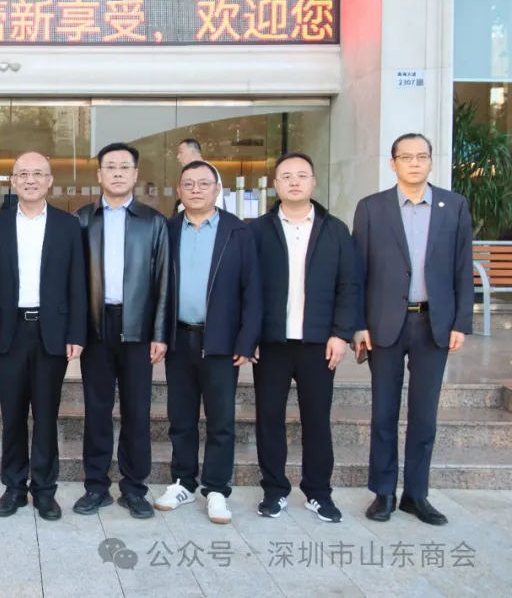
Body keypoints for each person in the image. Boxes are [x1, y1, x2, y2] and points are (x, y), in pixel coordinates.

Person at [353, 133, 473, 526]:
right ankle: (383, 493)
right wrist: (357, 325)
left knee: (424, 416)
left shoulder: (454, 206)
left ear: (431, 161)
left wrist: (461, 321)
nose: (415, 163)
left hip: (433, 324)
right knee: (383, 413)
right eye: (406, 157)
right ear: (393, 163)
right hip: (384, 324)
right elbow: (357, 272)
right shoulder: (372, 208)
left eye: (422, 156)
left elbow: (462, 267)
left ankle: (416, 495)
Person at [250, 152, 359, 523]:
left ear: (313, 182)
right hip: (271, 344)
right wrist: (249, 336)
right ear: (275, 184)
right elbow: (247, 288)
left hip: (319, 344)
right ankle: (274, 490)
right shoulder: (258, 230)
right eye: (286, 176)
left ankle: (318, 492)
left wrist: (341, 334)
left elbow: (349, 286)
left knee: (317, 420)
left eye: (301, 175)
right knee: (269, 419)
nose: (294, 181)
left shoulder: (335, 230)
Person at [0, 151, 86, 521]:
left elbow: (77, 283)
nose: (30, 180)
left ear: (50, 181)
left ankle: (44, 489)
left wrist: (76, 332)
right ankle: (13, 487)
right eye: (23, 174)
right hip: (8, 332)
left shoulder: (68, 225)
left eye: (38, 174)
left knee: (46, 415)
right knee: (12, 416)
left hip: (51, 332)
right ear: (12, 181)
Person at [154, 160, 261, 524]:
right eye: (189, 184)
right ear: (179, 191)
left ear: (217, 190)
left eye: (204, 183)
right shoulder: (167, 229)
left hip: (221, 342)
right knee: (180, 417)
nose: (196, 190)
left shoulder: (238, 232)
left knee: (221, 420)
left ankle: (216, 489)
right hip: (178, 338)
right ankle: (183, 481)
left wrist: (247, 340)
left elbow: (253, 291)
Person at [73, 143, 169, 519]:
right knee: (96, 410)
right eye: (109, 167)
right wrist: (75, 332)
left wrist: (159, 333)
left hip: (138, 328)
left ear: (135, 174)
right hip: (96, 327)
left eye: (124, 167)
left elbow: (164, 280)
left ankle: (133, 488)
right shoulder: (82, 219)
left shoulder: (153, 222)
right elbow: (71, 282)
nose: (116, 173)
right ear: (99, 175)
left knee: (136, 411)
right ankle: (96, 486)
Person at [175, 139, 225, 211]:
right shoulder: (198, 170)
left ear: (192, 152)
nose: (178, 157)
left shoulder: (207, 171)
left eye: (181, 152)